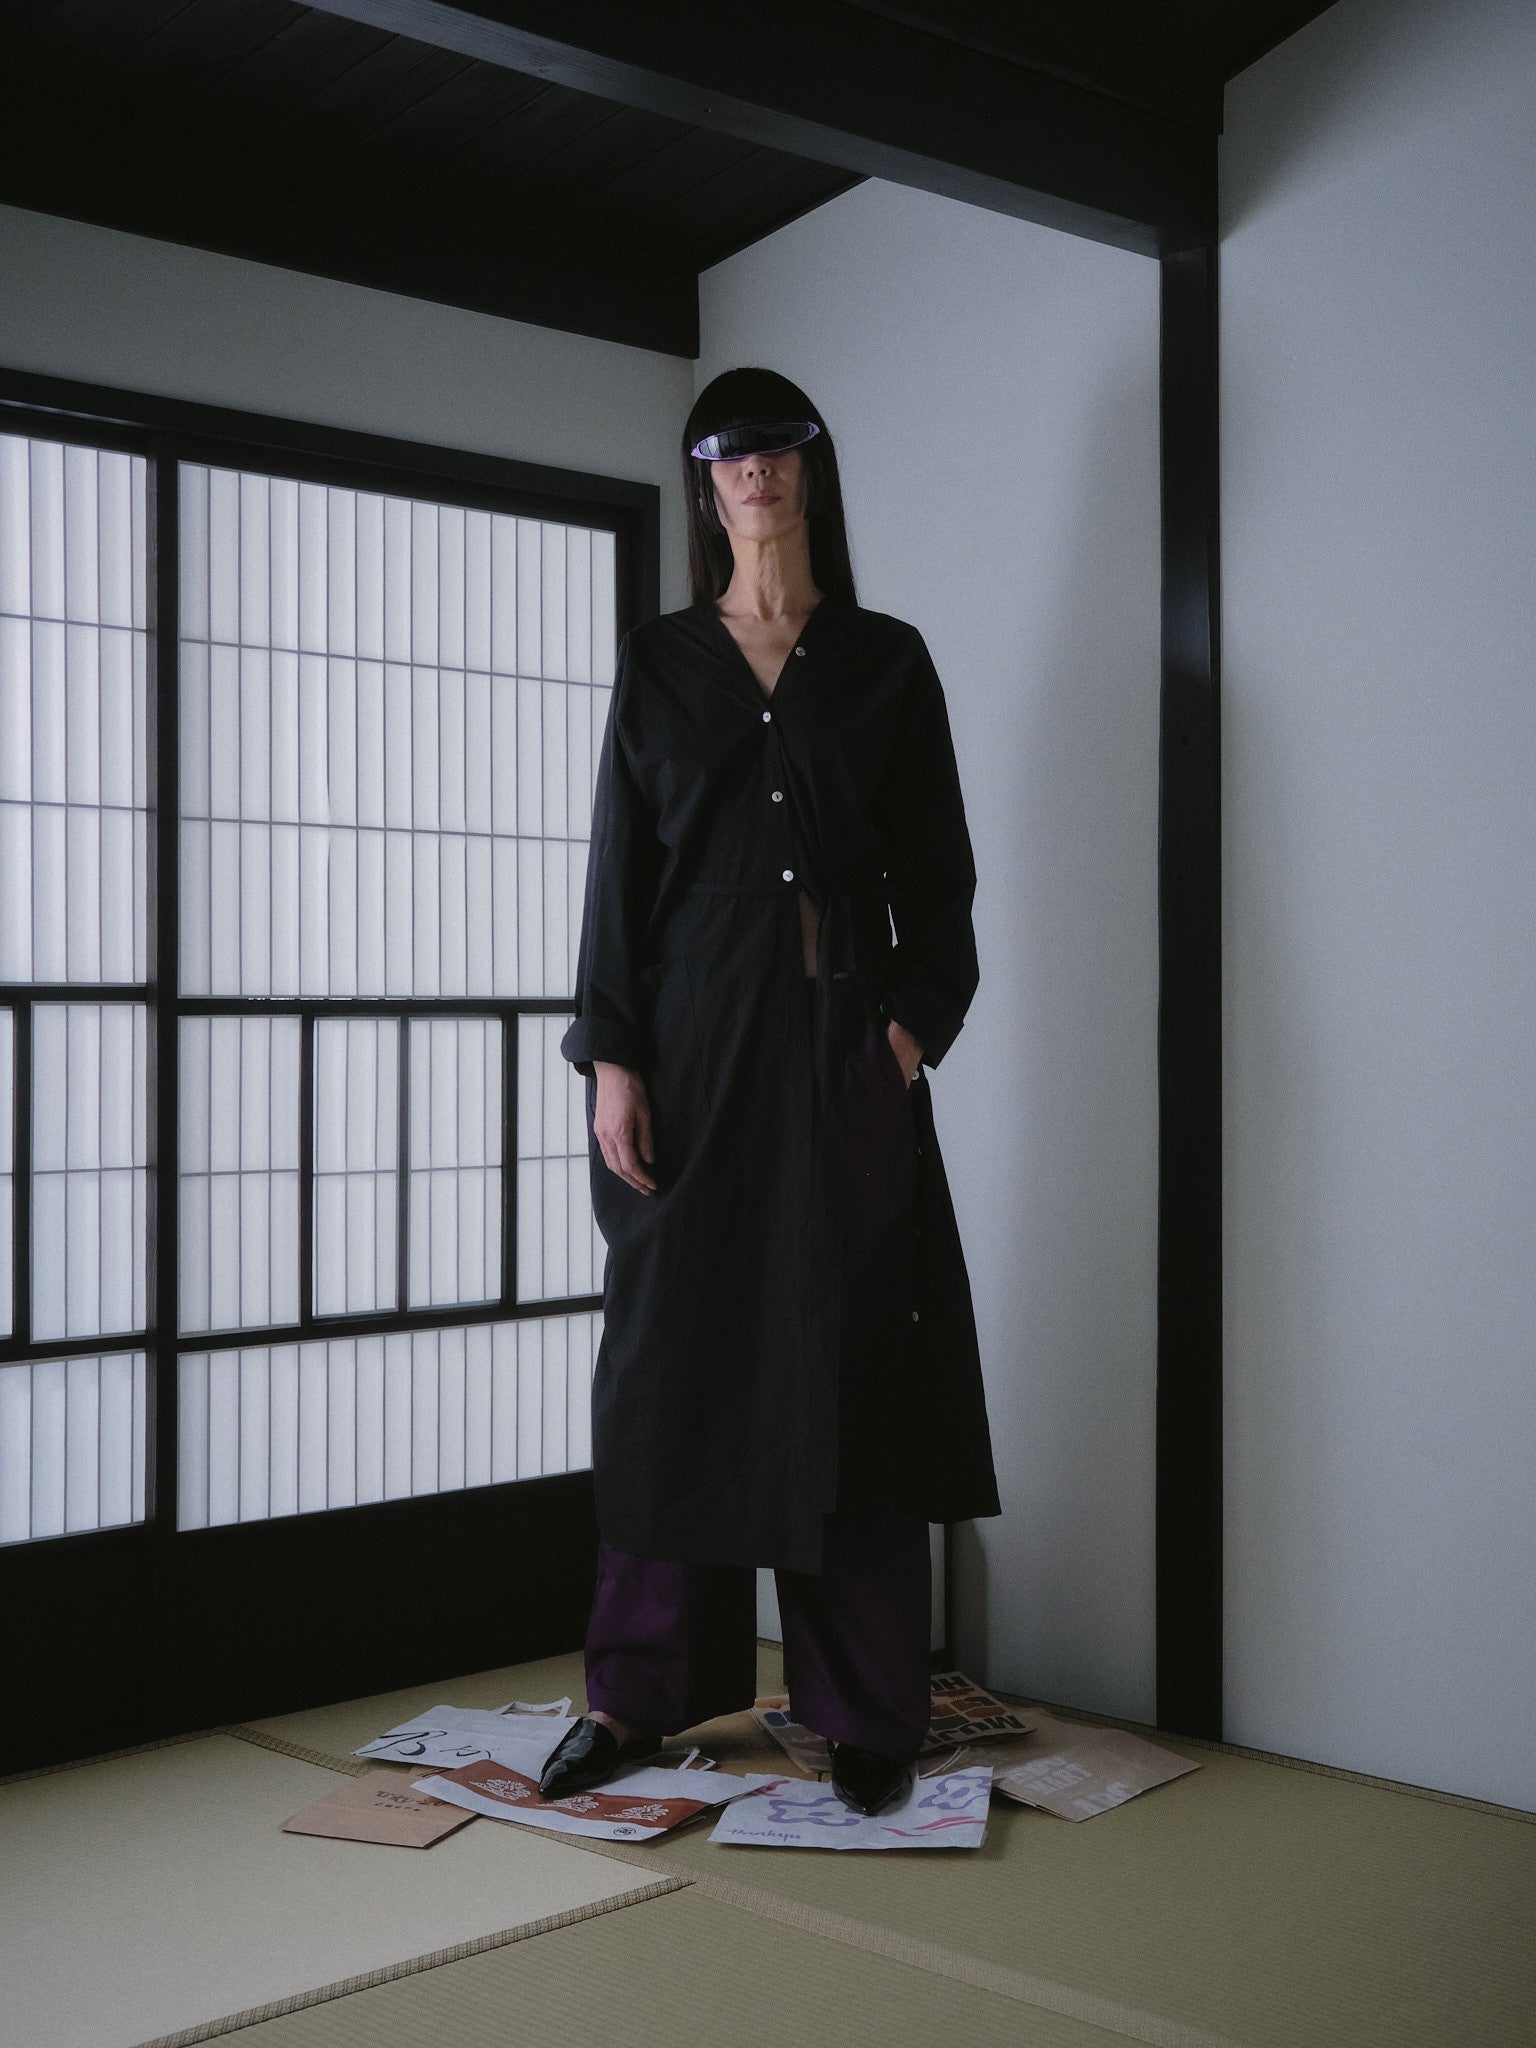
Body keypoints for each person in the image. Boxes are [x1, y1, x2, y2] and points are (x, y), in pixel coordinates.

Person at [542, 367, 1000, 1816]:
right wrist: (615, 1057)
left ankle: (865, 1708)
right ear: (705, 481)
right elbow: (619, 872)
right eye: (729, 452)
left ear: (811, 467)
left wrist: (903, 1035)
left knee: (850, 1354)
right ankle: (638, 1696)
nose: (756, 470)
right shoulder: (662, 661)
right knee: (670, 1364)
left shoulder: (886, 660)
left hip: (842, 1053)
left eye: (779, 446)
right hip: (690, 1059)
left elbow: (942, 874)